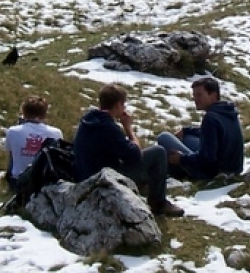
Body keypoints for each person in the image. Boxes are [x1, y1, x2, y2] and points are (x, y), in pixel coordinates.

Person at [72, 83, 184, 218]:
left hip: (84, 177)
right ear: (118, 104)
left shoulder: (87, 121)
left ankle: (146, 191)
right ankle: (158, 204)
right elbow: (135, 155)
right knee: (158, 152)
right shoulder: (108, 127)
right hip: (103, 182)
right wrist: (128, 128)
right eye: (123, 104)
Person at [156, 77, 245, 182]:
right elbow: (210, 134)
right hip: (233, 168)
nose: (195, 99)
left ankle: (166, 173)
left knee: (164, 137)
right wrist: (186, 130)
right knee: (188, 137)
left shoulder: (210, 118)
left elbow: (207, 158)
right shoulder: (227, 111)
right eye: (194, 95)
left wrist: (182, 158)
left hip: (213, 172)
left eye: (199, 95)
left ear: (213, 95)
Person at [5, 95, 64, 185]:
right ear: (44, 114)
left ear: (24, 112)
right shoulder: (56, 132)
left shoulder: (13, 131)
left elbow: (8, 149)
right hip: (44, 182)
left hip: (18, 182)